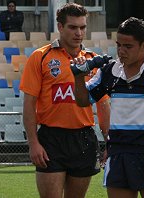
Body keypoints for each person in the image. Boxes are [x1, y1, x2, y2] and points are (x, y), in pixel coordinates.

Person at [71, 17, 144, 198]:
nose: (121, 51)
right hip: (117, 155)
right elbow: (83, 101)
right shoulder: (109, 71)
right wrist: (78, 77)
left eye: (128, 46)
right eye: (118, 45)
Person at [19, 3, 110, 198]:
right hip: (51, 139)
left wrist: (108, 141)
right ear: (60, 27)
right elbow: (29, 104)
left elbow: (103, 104)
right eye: (73, 27)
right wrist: (33, 143)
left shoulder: (93, 60)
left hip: (84, 138)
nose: (79, 32)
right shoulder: (40, 57)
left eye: (83, 27)